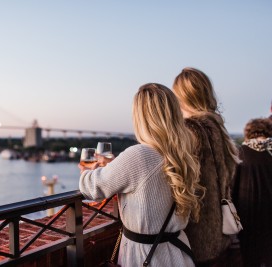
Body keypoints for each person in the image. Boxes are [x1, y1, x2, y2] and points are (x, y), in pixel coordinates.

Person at [79, 83, 204, 266]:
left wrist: (87, 171)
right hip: (178, 252)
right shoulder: (181, 153)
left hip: (146, 256)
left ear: (141, 118)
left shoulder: (138, 154)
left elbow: (93, 188)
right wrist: (117, 166)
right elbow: (146, 178)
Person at [172, 67, 241, 266]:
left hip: (194, 232)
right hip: (217, 229)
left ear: (181, 97)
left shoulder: (190, 130)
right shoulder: (218, 127)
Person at [232, 118, 272, 267]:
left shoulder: (240, 153)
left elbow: (232, 188)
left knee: (250, 259)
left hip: (247, 216)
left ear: (248, 133)